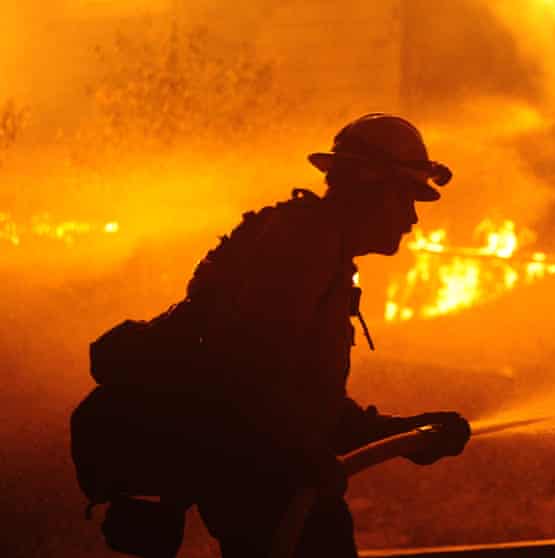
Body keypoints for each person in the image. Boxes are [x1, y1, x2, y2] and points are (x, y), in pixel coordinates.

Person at [71, 113, 470, 558]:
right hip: (259, 480)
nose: (413, 218)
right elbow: (246, 372)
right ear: (370, 188)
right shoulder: (303, 246)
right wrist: (300, 458)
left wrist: (401, 434)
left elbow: (304, 400)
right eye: (407, 197)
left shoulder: (318, 249)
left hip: (269, 476)